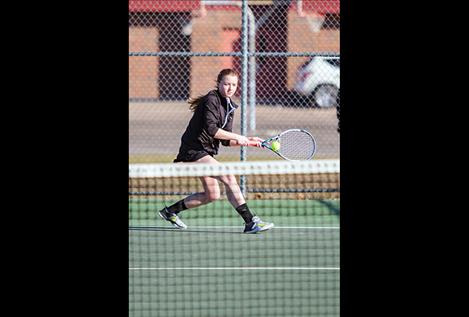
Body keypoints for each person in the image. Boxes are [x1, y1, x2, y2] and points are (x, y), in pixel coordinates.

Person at [158, 68, 274, 234]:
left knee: (211, 194)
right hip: (194, 150)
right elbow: (212, 130)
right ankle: (250, 222)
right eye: (226, 84)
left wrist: (249, 142)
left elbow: (225, 140)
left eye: (233, 84)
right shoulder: (211, 100)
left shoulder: (229, 106)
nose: (230, 88)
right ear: (219, 83)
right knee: (228, 175)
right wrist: (239, 136)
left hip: (206, 152)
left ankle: (170, 211)